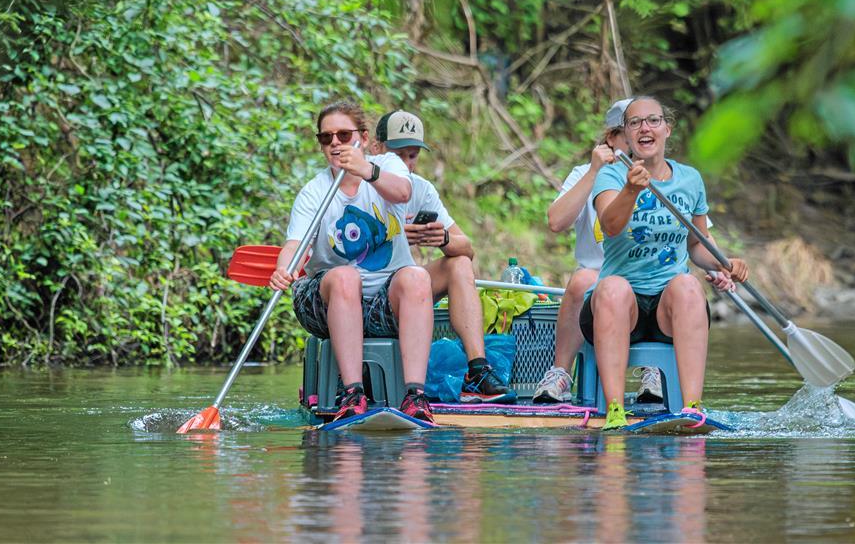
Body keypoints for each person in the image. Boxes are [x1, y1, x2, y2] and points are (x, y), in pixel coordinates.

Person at [585, 96, 749, 430]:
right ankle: (615, 410)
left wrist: (722, 263)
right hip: (617, 307)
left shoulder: (689, 179)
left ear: (667, 129)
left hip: (667, 310)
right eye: (635, 123)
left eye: (653, 120)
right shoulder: (611, 175)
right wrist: (630, 189)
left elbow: (698, 244)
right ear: (626, 136)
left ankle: (692, 409)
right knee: (614, 288)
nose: (645, 128)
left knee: (688, 284)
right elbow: (611, 225)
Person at [269, 99, 435, 422]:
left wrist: (366, 170)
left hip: (383, 303)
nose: (334, 143)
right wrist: (282, 267)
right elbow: (295, 245)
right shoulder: (314, 191)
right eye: (325, 137)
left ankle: (415, 396)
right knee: (346, 277)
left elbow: (402, 192)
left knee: (417, 276)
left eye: (343, 136)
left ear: (361, 136)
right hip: (327, 301)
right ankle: (352, 393)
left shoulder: (387, 164)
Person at [371, 110, 515, 404]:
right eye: (398, 155)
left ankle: (477, 369)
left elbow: (467, 247)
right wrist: (395, 235)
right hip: (364, 289)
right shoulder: (359, 184)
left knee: (459, 262)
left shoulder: (421, 189)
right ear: (377, 149)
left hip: (404, 290)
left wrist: (443, 239)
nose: (406, 165)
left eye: (412, 156)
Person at [534, 99, 669, 404]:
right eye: (629, 132)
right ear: (612, 139)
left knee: (665, 283)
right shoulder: (586, 173)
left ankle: (655, 373)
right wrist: (595, 172)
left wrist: (719, 270)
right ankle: (561, 373)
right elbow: (556, 221)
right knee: (582, 279)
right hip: (597, 281)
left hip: (646, 281)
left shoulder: (661, 174)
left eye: (645, 131)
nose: (638, 139)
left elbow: (693, 235)